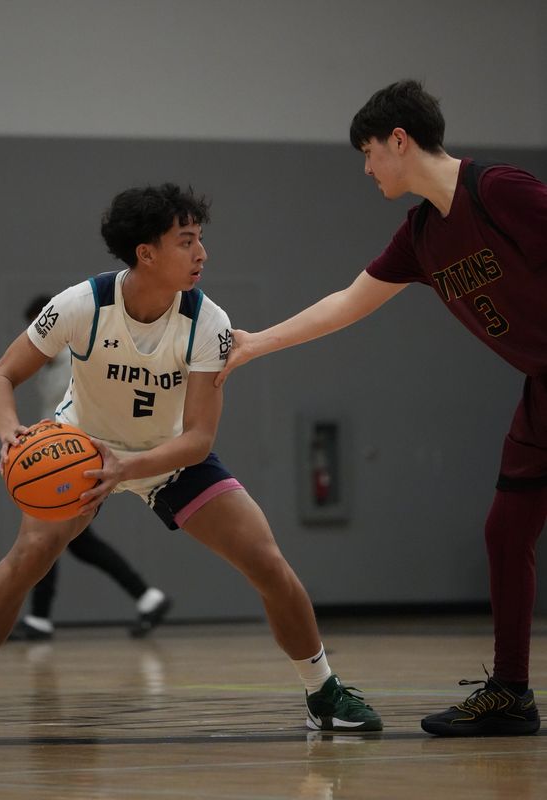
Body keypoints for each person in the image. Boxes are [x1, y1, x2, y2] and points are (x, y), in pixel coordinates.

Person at [0, 183, 382, 746]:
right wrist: (10, 434)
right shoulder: (80, 305)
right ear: (146, 252)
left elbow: (199, 438)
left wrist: (131, 466)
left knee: (265, 559)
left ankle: (323, 693)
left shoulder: (207, 323)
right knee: (28, 556)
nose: (202, 253)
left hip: (166, 456)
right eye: (187, 241)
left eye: (201, 240)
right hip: (81, 449)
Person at [215, 80, 547, 737]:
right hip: (542, 390)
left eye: (369, 152)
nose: (366, 169)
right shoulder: (422, 236)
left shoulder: (499, 190)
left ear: (400, 139)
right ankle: (511, 692)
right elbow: (347, 303)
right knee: (505, 532)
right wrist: (255, 345)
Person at [9, 294, 171, 641]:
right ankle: (146, 596)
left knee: (48, 534)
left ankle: (39, 618)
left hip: (80, 459)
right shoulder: (46, 369)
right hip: (60, 460)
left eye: (40, 325)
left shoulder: (76, 358)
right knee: (67, 541)